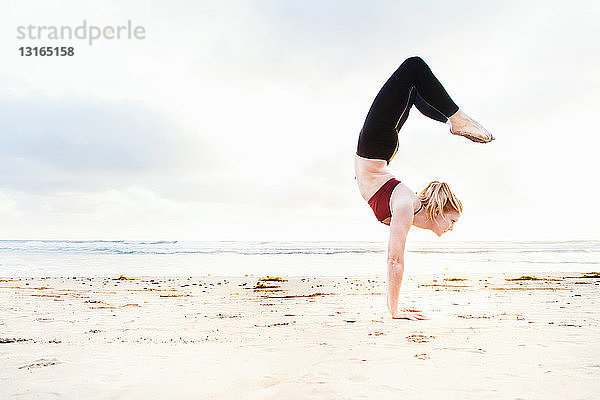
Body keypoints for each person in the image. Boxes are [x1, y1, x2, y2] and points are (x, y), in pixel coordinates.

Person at [354, 56, 494, 320]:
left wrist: (393, 306)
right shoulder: (406, 204)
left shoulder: (407, 208)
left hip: (378, 149)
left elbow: (393, 260)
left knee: (415, 89)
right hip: (376, 144)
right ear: (439, 210)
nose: (452, 227)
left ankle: (452, 121)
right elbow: (394, 260)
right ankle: (456, 119)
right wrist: (395, 311)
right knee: (414, 67)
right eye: (452, 220)